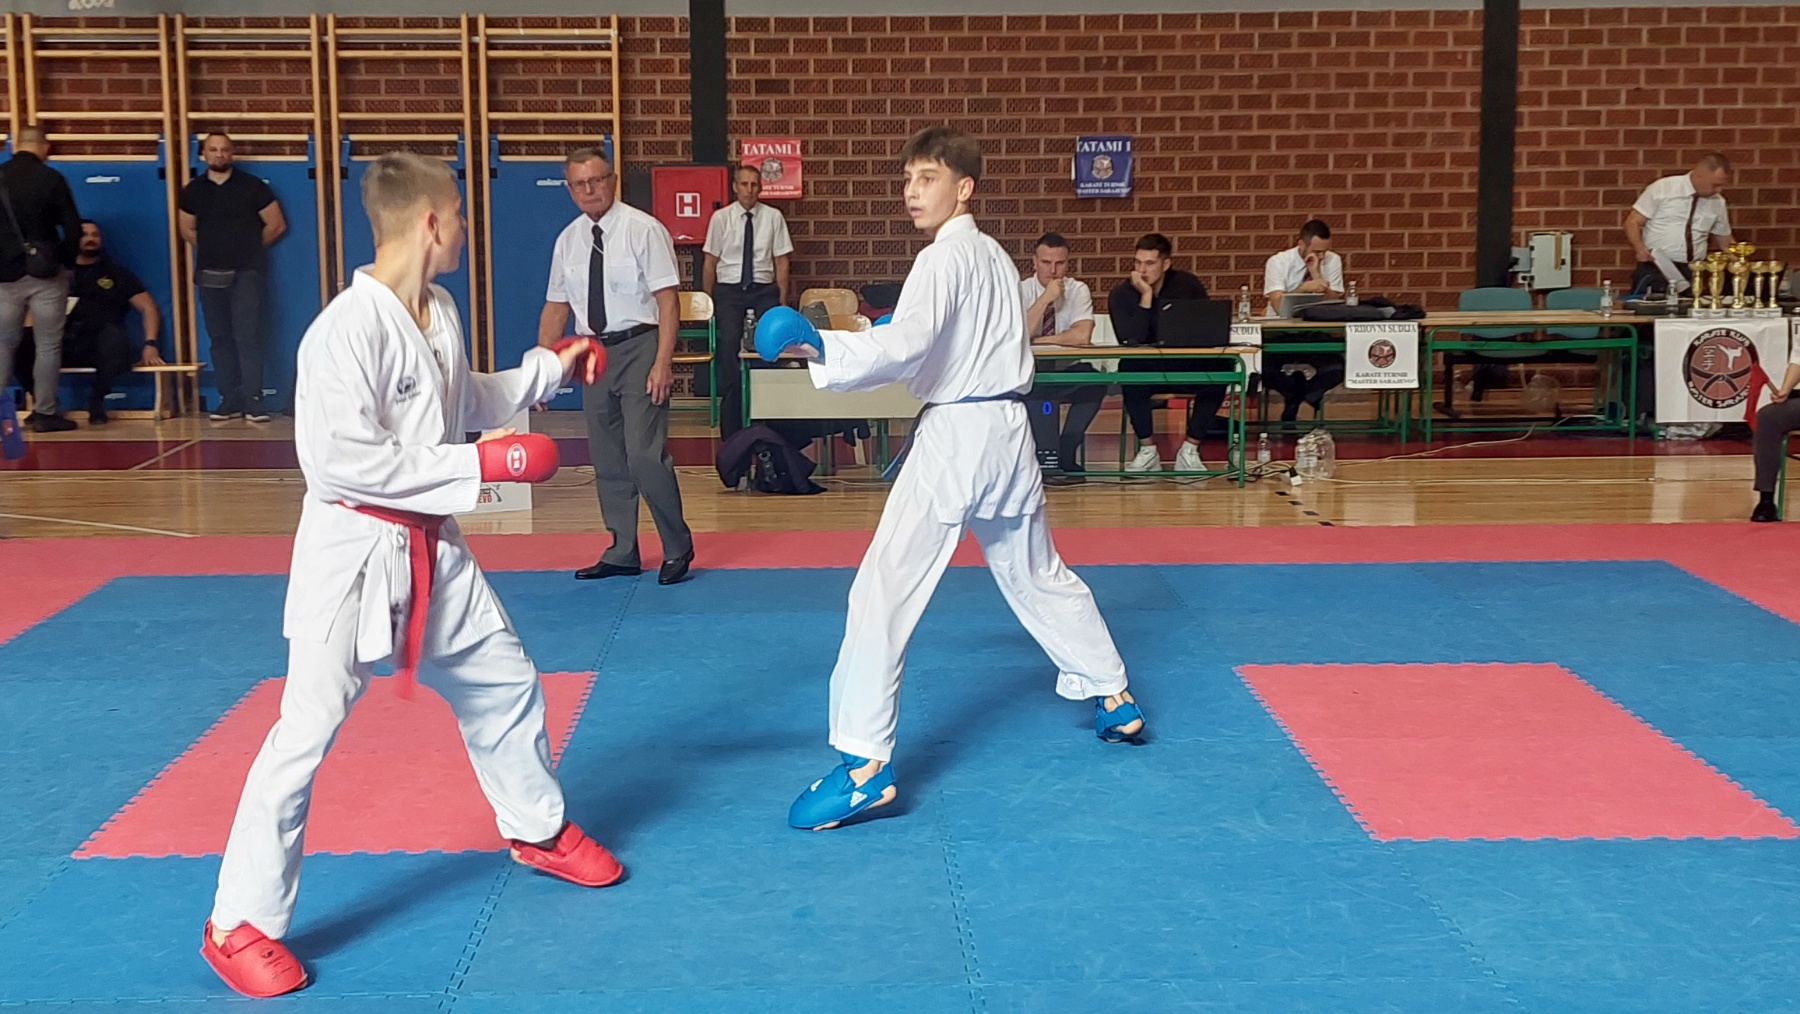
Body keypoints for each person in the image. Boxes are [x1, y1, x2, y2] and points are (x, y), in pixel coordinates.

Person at [200, 152, 617, 999]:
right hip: (351, 554)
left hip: (432, 544)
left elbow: (464, 399)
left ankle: (535, 828)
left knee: (504, 681)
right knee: (305, 731)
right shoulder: (342, 333)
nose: (464, 227)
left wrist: (550, 368)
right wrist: (483, 466)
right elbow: (344, 464)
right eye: (458, 213)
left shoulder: (440, 310)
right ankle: (237, 921)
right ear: (429, 222)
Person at [753, 125, 1144, 833]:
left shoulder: (943, 259)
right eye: (907, 179)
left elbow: (905, 345)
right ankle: (1114, 695)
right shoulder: (993, 257)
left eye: (927, 178)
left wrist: (818, 345)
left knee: (883, 590)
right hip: (1009, 433)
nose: (912, 191)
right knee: (1037, 573)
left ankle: (864, 768)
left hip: (958, 437)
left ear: (964, 188)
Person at [541, 147, 696, 586]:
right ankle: (622, 549)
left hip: (641, 345)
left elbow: (668, 302)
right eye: (580, 184)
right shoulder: (568, 240)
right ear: (569, 189)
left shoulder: (643, 229)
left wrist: (663, 362)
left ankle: (677, 546)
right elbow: (556, 307)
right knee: (607, 456)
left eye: (597, 180)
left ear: (612, 181)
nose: (589, 190)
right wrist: (543, 370)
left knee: (645, 454)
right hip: (594, 353)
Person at [179, 132, 286, 423]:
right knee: (219, 337)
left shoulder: (252, 187)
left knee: (247, 336)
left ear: (232, 153)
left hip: (245, 273)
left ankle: (254, 400)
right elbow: (186, 228)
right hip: (209, 273)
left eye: (224, 149)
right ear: (204, 154)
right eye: (213, 150)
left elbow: (276, 225)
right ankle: (229, 399)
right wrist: (213, 248)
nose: (219, 154)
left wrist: (246, 250)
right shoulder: (192, 191)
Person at [1107, 233, 1216, 473]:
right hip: (1147, 366)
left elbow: (1205, 325)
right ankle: (1148, 450)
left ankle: (1190, 449)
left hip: (1184, 363)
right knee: (1128, 367)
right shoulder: (1121, 294)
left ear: (1165, 264)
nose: (1142, 270)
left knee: (1222, 367)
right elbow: (1131, 340)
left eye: (1149, 263)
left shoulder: (1187, 285)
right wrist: (1146, 297)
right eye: (1138, 262)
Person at [0, 126, 83, 432]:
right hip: (46, 272)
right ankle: (45, 412)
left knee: (3, 343)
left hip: (5, 275)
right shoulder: (51, 178)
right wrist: (66, 263)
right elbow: (73, 228)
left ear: (14, 146)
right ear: (44, 147)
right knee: (48, 345)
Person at [703, 163, 793, 440]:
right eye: (744, 184)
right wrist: (709, 301)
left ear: (761, 188)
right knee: (729, 342)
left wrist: (781, 301)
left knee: (768, 343)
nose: (749, 190)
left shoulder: (773, 217)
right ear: (735, 187)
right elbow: (710, 262)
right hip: (729, 291)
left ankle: (765, 407)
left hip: (763, 289)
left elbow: (781, 261)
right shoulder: (721, 218)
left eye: (754, 185)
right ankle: (733, 412)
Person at [1019, 232, 1105, 484]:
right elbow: (1020, 334)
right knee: (1040, 389)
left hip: (1067, 368)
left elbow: (1082, 336)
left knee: (1095, 382)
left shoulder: (1078, 290)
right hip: (1032, 371)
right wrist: (1045, 298)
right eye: (1046, 263)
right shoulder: (1020, 290)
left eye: (1060, 263)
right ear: (1034, 262)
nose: (1053, 270)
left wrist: (1039, 341)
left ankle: (1065, 450)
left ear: (1068, 264)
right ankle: (1048, 461)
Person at [64, 220, 163, 423]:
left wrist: (150, 344)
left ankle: (96, 400)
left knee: (114, 339)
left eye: (95, 235)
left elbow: (149, 307)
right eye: (84, 235)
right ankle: (42, 407)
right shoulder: (57, 273)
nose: (90, 239)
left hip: (103, 342)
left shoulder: (116, 273)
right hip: (63, 342)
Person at [1262, 219, 1346, 421]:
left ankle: (1305, 393)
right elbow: (1279, 307)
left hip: (1314, 331)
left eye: (1324, 251)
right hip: (1280, 331)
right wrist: (1302, 289)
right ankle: (1292, 391)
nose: (1321, 256)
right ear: (1301, 244)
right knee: (1261, 368)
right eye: (1316, 251)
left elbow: (1335, 303)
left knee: (1337, 367)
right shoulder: (1278, 262)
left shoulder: (1332, 260)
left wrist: (1317, 274)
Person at [1624, 153, 1736, 297]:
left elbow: (1725, 243)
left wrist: (1741, 262)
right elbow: (1632, 221)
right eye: (1715, 185)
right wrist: (1639, 248)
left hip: (1692, 271)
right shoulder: (1663, 188)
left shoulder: (1718, 203)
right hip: (1657, 266)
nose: (1719, 190)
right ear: (1699, 175)